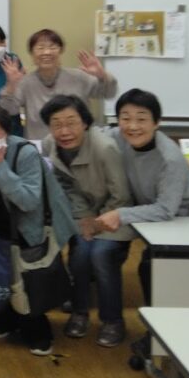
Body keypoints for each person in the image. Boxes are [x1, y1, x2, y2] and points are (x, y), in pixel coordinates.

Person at [0, 103, 75, 355]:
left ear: (7, 132)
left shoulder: (25, 153)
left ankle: (39, 331)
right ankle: (7, 319)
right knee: (1, 275)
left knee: (27, 283)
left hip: (29, 228)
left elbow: (29, 201)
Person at [95, 89, 189, 304]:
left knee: (150, 266)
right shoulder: (118, 136)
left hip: (180, 219)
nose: (132, 126)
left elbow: (166, 209)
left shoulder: (170, 158)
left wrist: (119, 214)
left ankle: (157, 321)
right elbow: (92, 135)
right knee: (101, 250)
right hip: (144, 212)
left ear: (157, 122)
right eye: (125, 118)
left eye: (141, 119)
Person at [40, 95, 133, 347]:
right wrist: (84, 218)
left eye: (71, 122)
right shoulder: (49, 145)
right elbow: (64, 187)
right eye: (56, 124)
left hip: (117, 215)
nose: (64, 131)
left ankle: (113, 321)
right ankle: (80, 312)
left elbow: (122, 196)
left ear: (85, 123)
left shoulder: (104, 148)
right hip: (84, 216)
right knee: (80, 254)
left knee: (101, 255)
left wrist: (98, 222)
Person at [0, 28, 117, 141]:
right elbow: (9, 110)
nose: (47, 52)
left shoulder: (78, 77)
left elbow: (109, 93)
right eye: (40, 48)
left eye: (52, 47)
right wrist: (11, 85)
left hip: (78, 145)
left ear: (60, 50)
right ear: (32, 53)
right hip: (40, 146)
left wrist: (102, 75)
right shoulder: (26, 83)